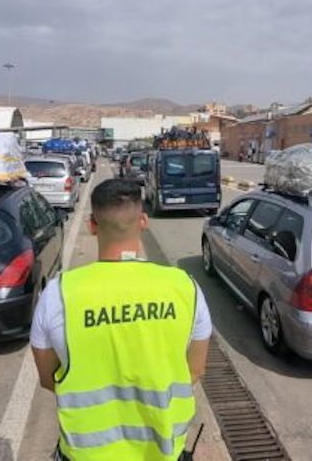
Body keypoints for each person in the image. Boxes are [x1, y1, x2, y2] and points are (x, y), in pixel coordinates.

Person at [31, 178, 212, 461]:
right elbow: (195, 372)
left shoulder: (59, 294)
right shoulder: (185, 288)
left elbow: (48, 379)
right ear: (143, 221)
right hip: (163, 451)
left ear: (92, 225)